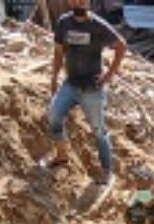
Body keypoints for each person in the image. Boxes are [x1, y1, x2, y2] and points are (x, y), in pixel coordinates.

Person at [46, 0, 126, 185]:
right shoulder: (64, 23)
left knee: (99, 131)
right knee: (53, 115)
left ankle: (107, 170)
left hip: (92, 88)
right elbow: (58, 52)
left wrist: (108, 75)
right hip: (70, 84)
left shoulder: (97, 25)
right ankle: (62, 155)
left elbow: (121, 45)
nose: (79, 1)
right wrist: (54, 77)